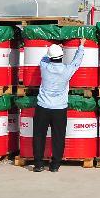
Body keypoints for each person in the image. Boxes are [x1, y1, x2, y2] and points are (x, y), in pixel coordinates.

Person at [33, 36, 85, 172]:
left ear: (50, 57)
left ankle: (38, 164)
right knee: (58, 137)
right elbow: (76, 62)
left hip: (43, 107)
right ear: (62, 56)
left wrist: (55, 49)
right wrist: (81, 46)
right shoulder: (67, 70)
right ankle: (55, 165)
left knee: (39, 135)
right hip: (59, 109)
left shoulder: (44, 67)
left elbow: (44, 59)